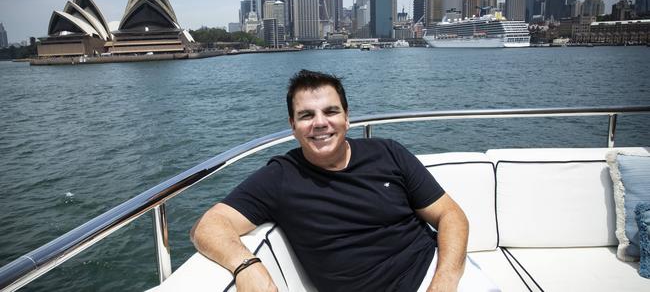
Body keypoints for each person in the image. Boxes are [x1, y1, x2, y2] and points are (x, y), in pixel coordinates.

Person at [191, 69, 471, 292]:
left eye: (331, 111)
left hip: (436, 271)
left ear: (347, 119)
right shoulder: (279, 178)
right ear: (293, 127)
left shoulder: (388, 153)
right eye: (306, 115)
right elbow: (208, 225)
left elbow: (450, 215)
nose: (320, 123)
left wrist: (444, 281)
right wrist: (246, 265)